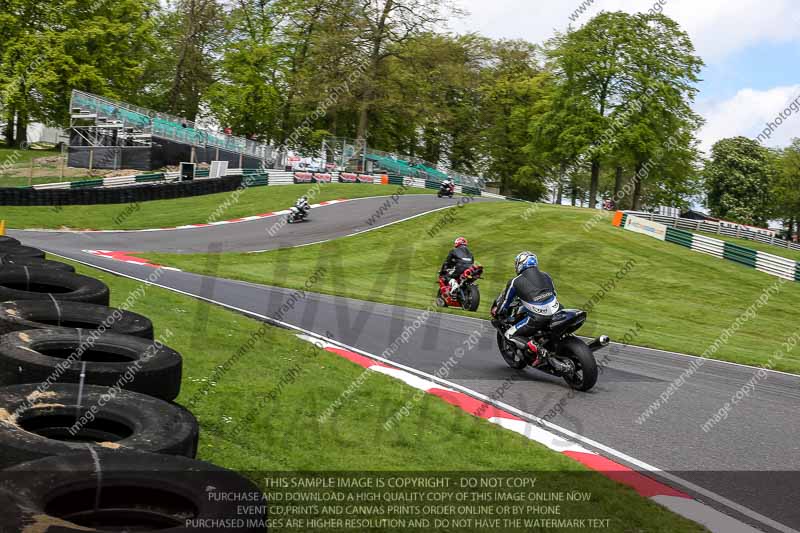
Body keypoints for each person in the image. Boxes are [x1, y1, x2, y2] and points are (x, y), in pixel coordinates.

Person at [492, 251, 561, 344]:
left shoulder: (515, 281)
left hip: (538, 318)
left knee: (509, 335)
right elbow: (554, 294)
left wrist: (498, 312)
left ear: (520, 264)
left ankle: (537, 351)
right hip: (558, 310)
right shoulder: (546, 275)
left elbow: (505, 302)